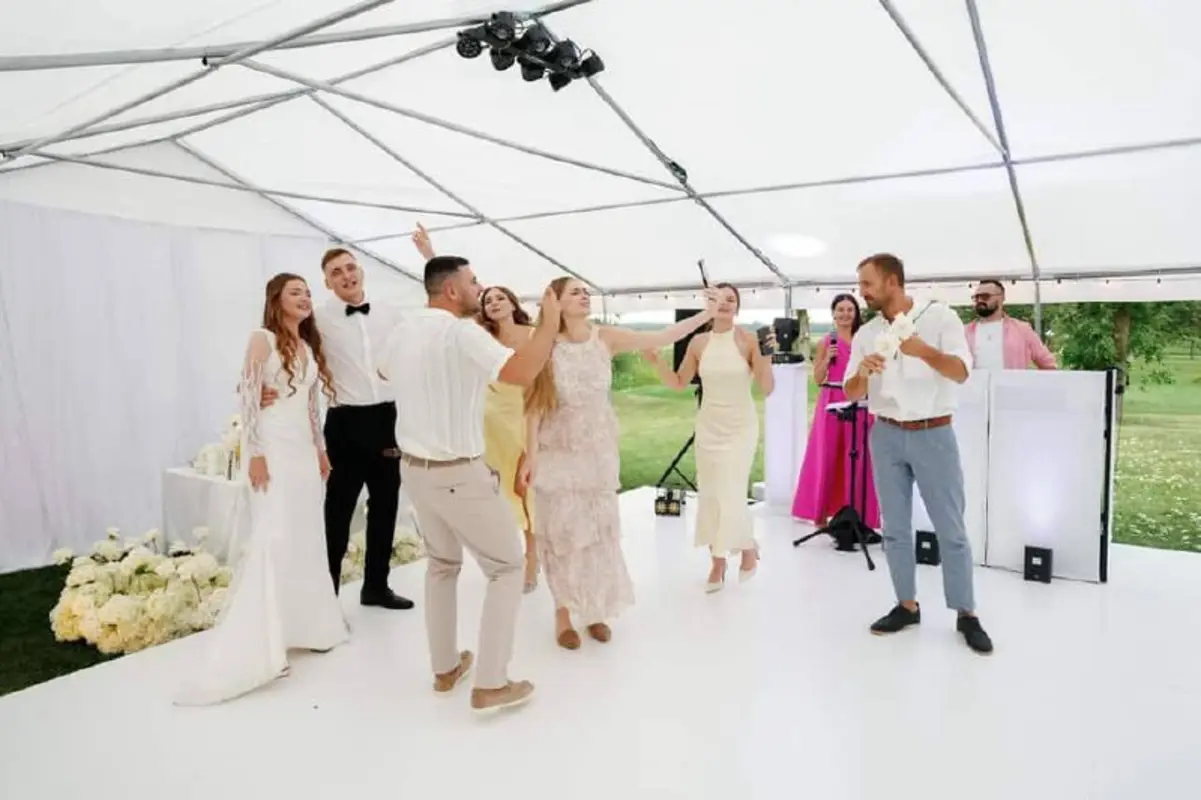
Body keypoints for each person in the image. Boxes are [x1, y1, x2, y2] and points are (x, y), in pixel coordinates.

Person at [375, 255, 559, 714]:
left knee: (441, 564)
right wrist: (550, 323)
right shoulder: (461, 333)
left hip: (414, 470)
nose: (480, 288)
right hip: (457, 471)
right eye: (474, 282)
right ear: (452, 290)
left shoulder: (403, 329)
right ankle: (491, 682)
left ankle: (445, 669)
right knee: (508, 566)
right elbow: (522, 373)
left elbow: (382, 371)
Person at [176, 274, 349, 705]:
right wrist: (253, 453)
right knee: (274, 535)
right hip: (272, 448)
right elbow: (249, 397)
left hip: (303, 453)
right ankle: (266, 645)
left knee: (305, 536)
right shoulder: (262, 339)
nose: (305, 298)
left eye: (307, 292)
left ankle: (306, 629)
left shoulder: (307, 346)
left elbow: (312, 407)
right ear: (276, 300)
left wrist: (321, 450)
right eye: (295, 292)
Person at [524, 277, 718, 649]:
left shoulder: (606, 337)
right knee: (563, 533)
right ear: (555, 303)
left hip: (597, 452)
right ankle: (562, 611)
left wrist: (705, 314)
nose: (584, 295)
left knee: (598, 532)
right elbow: (532, 407)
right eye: (574, 292)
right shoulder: (544, 344)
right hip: (557, 452)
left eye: (585, 291)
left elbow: (662, 336)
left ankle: (594, 609)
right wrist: (530, 456)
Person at [843, 254, 993, 655]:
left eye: (868, 283)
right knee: (894, 528)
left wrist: (922, 350)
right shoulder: (867, 333)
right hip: (886, 435)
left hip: (934, 433)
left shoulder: (940, 317)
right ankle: (906, 605)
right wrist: (863, 373)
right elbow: (851, 392)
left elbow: (961, 372)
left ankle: (966, 612)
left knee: (951, 529)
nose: (862, 292)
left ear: (892, 281)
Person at [264, 248, 413, 610]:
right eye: (336, 272)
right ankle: (325, 598)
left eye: (350, 267)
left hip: (388, 419)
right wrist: (258, 386)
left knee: (386, 505)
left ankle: (376, 586)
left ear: (360, 270)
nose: (346, 276)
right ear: (327, 282)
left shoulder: (391, 313)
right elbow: (278, 345)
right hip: (345, 423)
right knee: (337, 511)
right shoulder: (315, 319)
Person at [411, 224, 539, 592]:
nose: (493, 302)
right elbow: (449, 302)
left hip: (523, 421)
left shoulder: (534, 336)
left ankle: (533, 562)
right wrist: (430, 255)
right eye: (488, 299)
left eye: (500, 297)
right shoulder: (478, 335)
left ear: (513, 303)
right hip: (487, 426)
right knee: (499, 497)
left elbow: (540, 386)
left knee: (529, 493)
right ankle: (508, 562)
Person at [642, 282, 774, 591]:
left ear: (738, 307)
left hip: (740, 427)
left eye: (731, 299)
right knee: (711, 494)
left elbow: (767, 388)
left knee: (731, 491)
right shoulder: (698, 343)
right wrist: (656, 361)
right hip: (709, 426)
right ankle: (724, 558)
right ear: (709, 304)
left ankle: (739, 551)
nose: (725, 303)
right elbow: (678, 382)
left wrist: (767, 356)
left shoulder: (748, 340)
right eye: (719, 298)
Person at [792, 293, 881, 530]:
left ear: (856, 313)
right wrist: (826, 360)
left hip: (859, 400)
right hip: (832, 399)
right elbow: (817, 378)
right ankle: (820, 513)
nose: (845, 314)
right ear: (833, 314)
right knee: (828, 455)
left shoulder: (864, 340)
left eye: (849, 310)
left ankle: (861, 514)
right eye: (840, 310)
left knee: (860, 458)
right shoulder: (827, 341)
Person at [963, 279, 1057, 370]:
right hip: (975, 381)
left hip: (1012, 381)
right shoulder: (964, 332)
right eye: (976, 297)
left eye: (985, 296)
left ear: (1001, 297)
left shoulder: (1022, 329)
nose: (979, 300)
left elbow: (1047, 363)